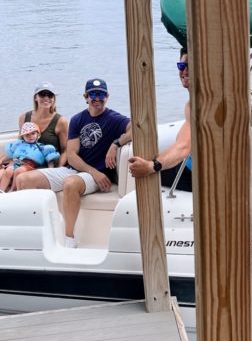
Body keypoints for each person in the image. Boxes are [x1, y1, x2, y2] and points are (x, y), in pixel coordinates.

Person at [16, 78, 131, 248]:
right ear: (86, 96)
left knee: (70, 184)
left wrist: (116, 144)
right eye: (93, 94)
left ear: (107, 96)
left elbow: (137, 128)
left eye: (101, 94)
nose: (97, 98)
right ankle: (36, 232)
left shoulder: (114, 119)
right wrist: (92, 171)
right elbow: (71, 154)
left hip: (100, 175)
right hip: (81, 170)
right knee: (23, 179)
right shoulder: (78, 119)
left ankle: (69, 239)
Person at [129, 47, 192, 191]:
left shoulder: (199, 105)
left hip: (199, 177)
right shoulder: (192, 104)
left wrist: (152, 166)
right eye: (182, 65)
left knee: (147, 176)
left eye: (191, 65)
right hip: (190, 167)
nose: (185, 71)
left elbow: (183, 146)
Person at [0, 122, 60, 192]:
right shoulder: (19, 144)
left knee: (19, 171)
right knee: (8, 171)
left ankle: (13, 189)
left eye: (33, 133)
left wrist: (50, 169)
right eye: (27, 135)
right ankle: (0, 190)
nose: (30, 136)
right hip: (16, 162)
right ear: (23, 137)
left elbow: (49, 157)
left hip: (29, 165)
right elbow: (10, 153)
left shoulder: (41, 147)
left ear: (38, 134)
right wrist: (1, 160)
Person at [19, 81, 68, 165]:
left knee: (21, 177)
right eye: (42, 94)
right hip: (27, 163)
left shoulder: (61, 121)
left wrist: (58, 169)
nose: (46, 97)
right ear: (35, 98)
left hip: (49, 167)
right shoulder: (23, 117)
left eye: (50, 95)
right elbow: (20, 143)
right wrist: (3, 159)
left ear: (53, 99)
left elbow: (65, 150)